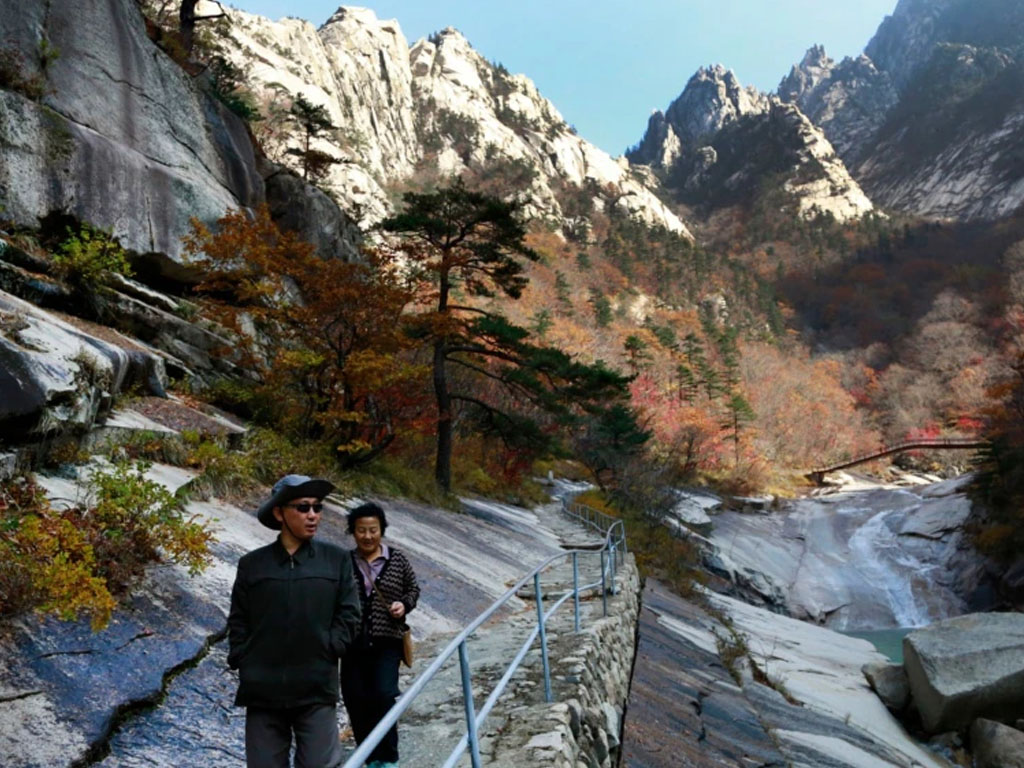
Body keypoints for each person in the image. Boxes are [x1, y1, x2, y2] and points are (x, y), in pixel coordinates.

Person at [228, 474, 361, 768]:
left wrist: (332, 646)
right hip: (262, 691)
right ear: (279, 513)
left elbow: (350, 613)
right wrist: (242, 656)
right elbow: (238, 619)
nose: (313, 515)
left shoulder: (336, 560)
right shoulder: (252, 565)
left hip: (316, 689)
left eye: (317, 507)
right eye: (303, 507)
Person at [341, 502, 420, 768]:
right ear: (353, 532)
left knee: (384, 695)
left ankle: (388, 759)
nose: (367, 536)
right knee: (355, 699)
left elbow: (413, 590)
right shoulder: (344, 562)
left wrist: (404, 605)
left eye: (373, 530)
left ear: (382, 530)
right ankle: (368, 757)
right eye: (361, 530)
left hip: (387, 642)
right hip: (352, 644)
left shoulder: (397, 559)